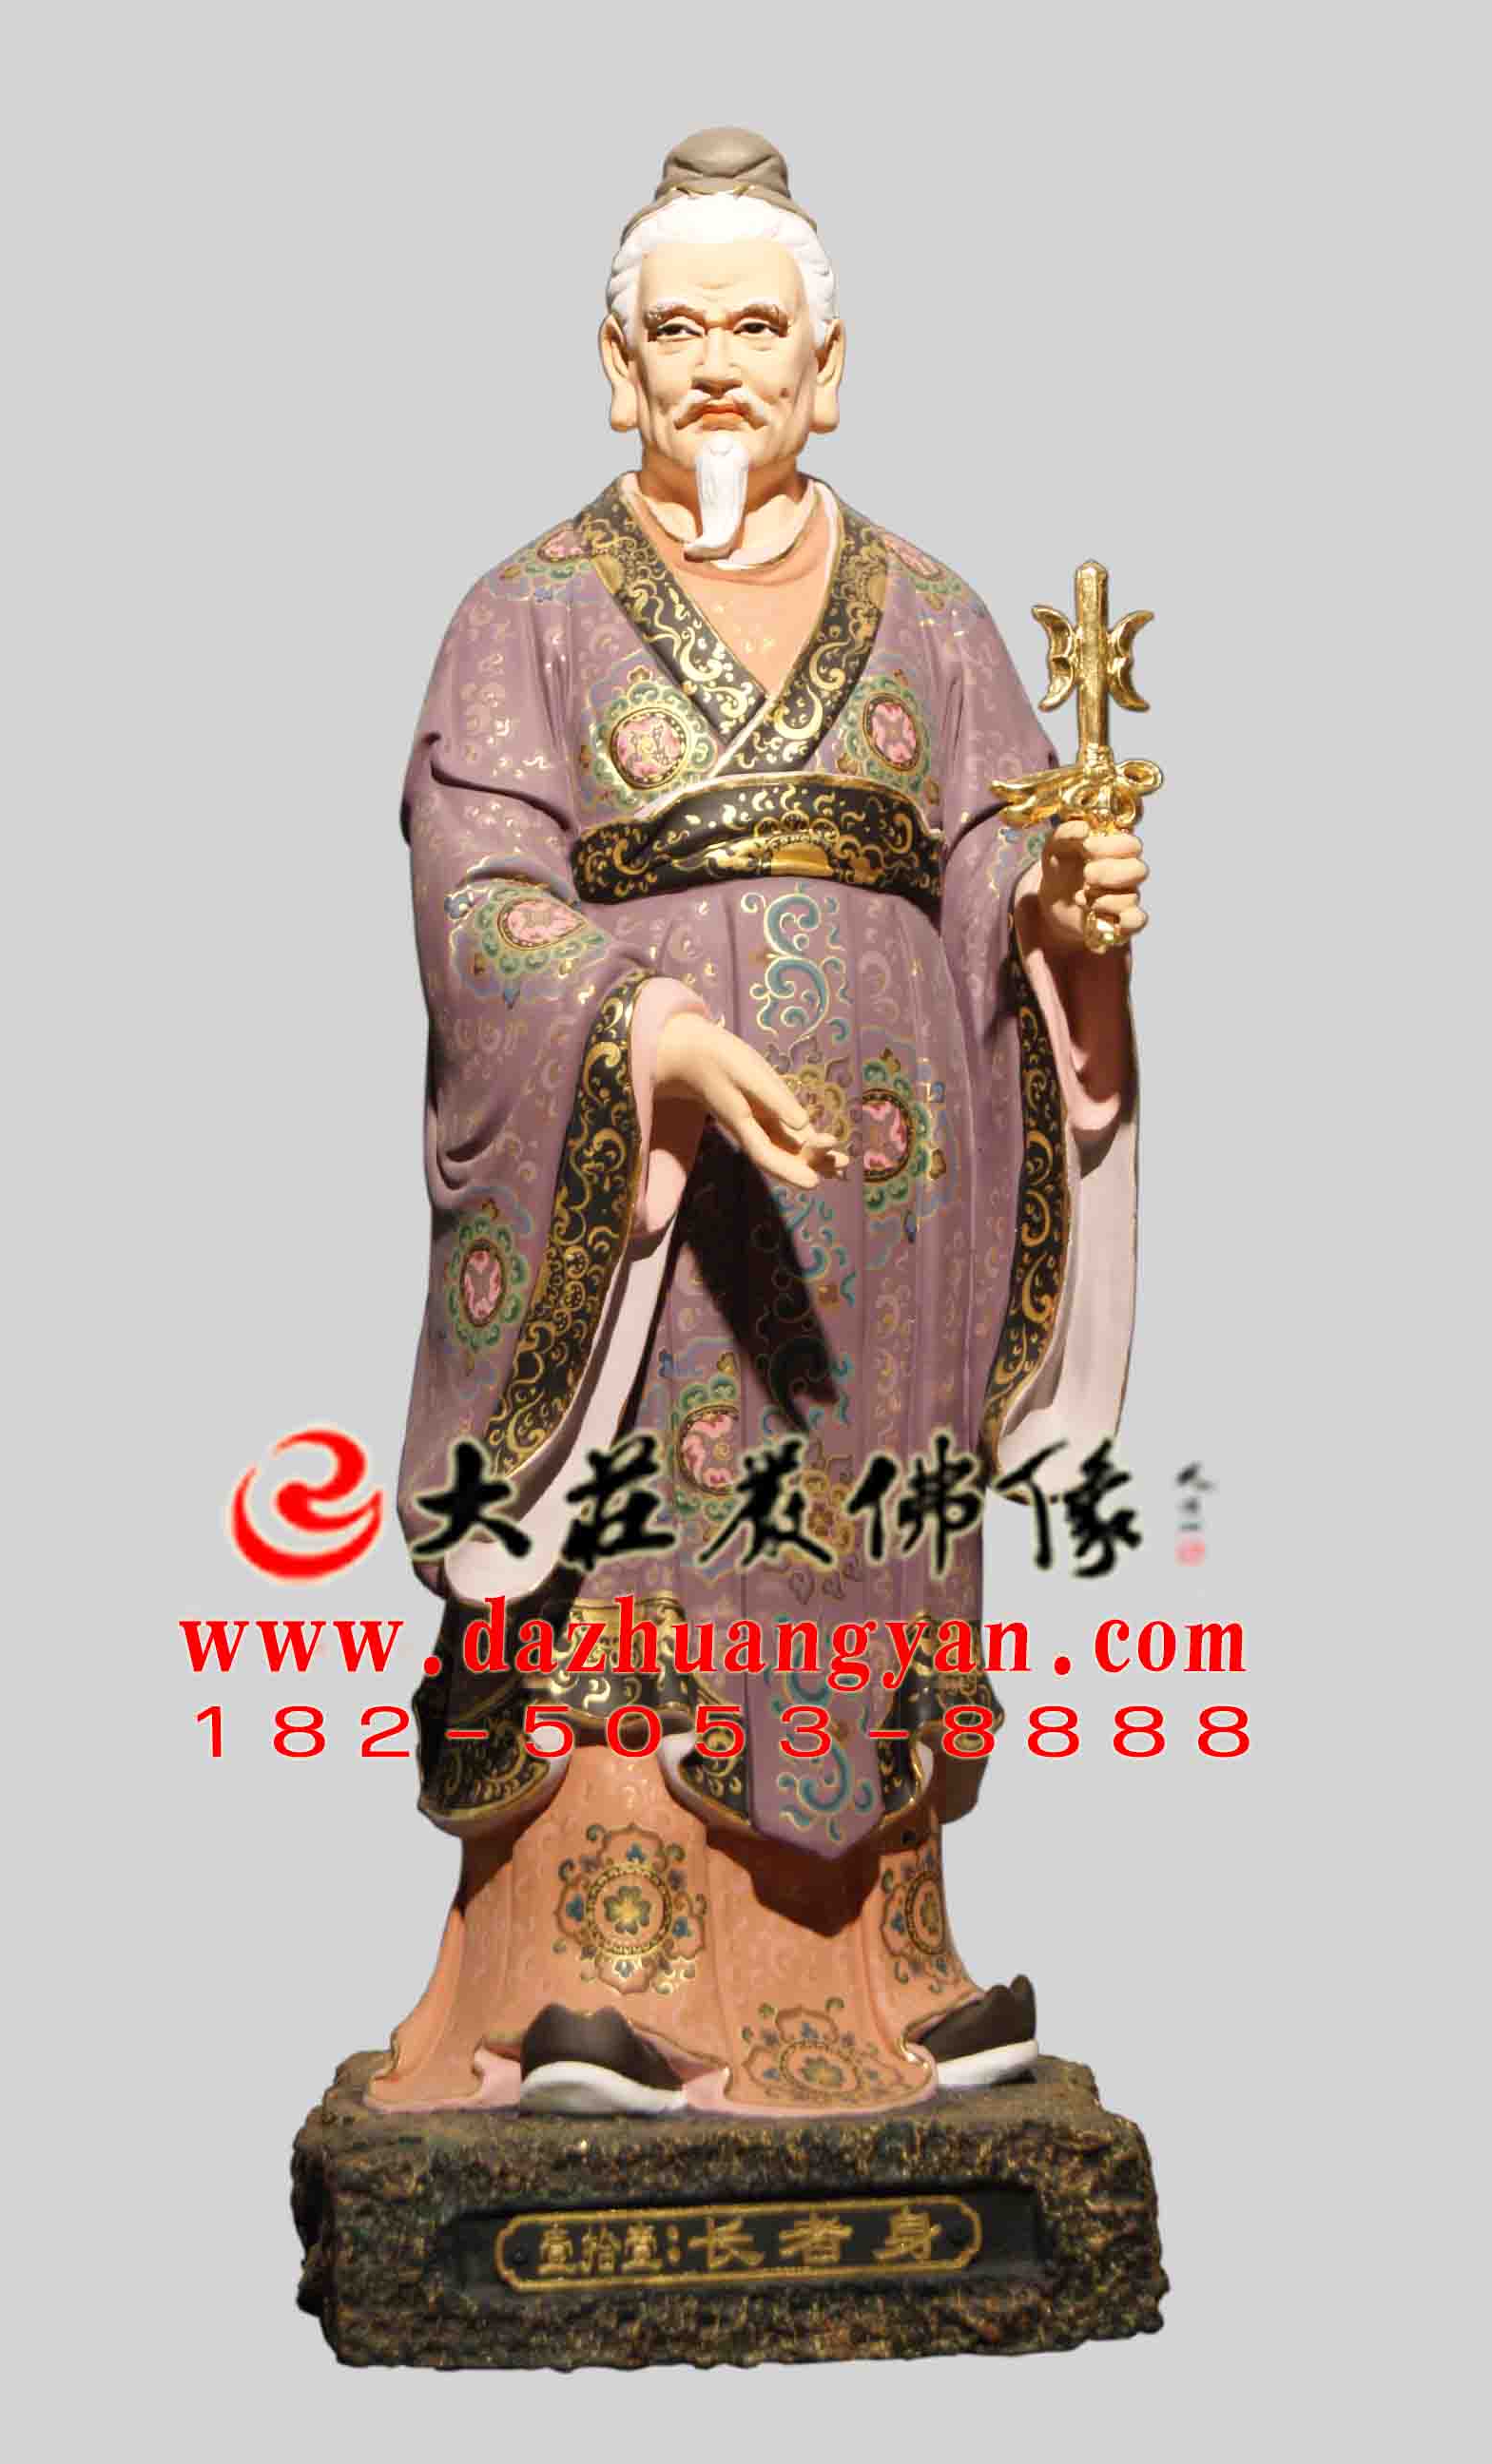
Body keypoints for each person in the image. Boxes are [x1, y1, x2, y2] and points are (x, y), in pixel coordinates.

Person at [370, 129, 1149, 2118]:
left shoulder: (939, 617)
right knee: (649, 1541)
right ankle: (599, 1975)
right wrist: (640, 1028)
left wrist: (1066, 921)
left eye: (758, 330)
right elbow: (478, 892)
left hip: (892, 1200)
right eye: (681, 331)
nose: (720, 367)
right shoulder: (528, 613)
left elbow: (994, 865)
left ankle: (886, 1962)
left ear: (831, 366)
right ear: (616, 365)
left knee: (870, 1525)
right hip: (653, 1211)